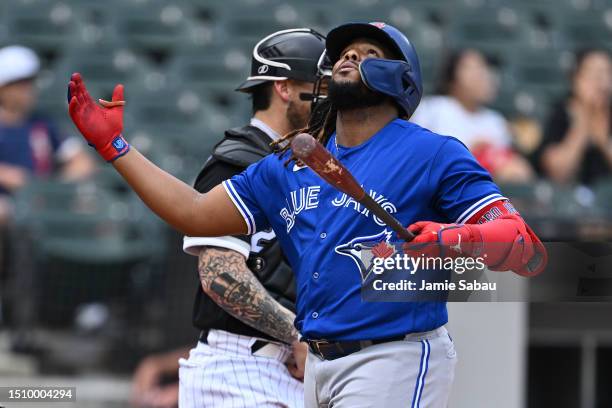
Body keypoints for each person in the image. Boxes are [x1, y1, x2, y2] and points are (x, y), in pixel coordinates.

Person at [67, 21, 547, 407]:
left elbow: (521, 242)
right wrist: (115, 147)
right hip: (315, 366)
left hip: (394, 353)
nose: (349, 56)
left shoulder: (433, 153)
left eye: (369, 54)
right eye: (345, 52)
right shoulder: (292, 163)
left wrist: (456, 239)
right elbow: (194, 213)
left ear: (403, 82)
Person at [130, 29, 328, 408]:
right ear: (284, 88)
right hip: (242, 367)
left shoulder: (307, 165)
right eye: (317, 85)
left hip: (294, 368)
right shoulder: (237, 161)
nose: (325, 97)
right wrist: (296, 334)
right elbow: (219, 275)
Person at [0, 45, 94, 325]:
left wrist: (51, 188)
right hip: (8, 205)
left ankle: (85, 305)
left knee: (91, 208)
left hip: (41, 204)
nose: (27, 90)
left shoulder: (41, 123)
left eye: (29, 83)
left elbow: (81, 163)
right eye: (19, 84)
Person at [411, 49, 534, 183]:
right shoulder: (433, 108)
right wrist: (472, 151)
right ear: (452, 77)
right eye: (471, 68)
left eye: (483, 68)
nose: (481, 75)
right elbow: (416, 154)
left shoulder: (496, 121)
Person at [535, 48, 612, 185]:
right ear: (576, 79)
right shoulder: (561, 112)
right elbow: (557, 173)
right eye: (595, 74)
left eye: (607, 73)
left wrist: (604, 142)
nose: (602, 83)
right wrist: (581, 128)